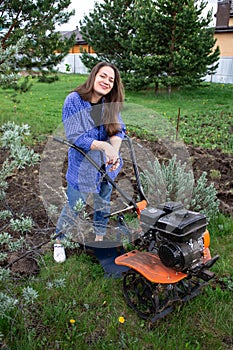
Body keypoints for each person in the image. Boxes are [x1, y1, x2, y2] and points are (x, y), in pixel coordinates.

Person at [54, 62, 126, 263]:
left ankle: (99, 238)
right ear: (94, 76)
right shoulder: (74, 100)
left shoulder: (109, 104)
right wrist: (104, 147)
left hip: (106, 166)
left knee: (103, 200)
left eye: (111, 80)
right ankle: (59, 241)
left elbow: (119, 130)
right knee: (74, 205)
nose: (106, 82)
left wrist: (114, 153)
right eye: (103, 76)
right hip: (82, 168)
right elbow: (75, 135)